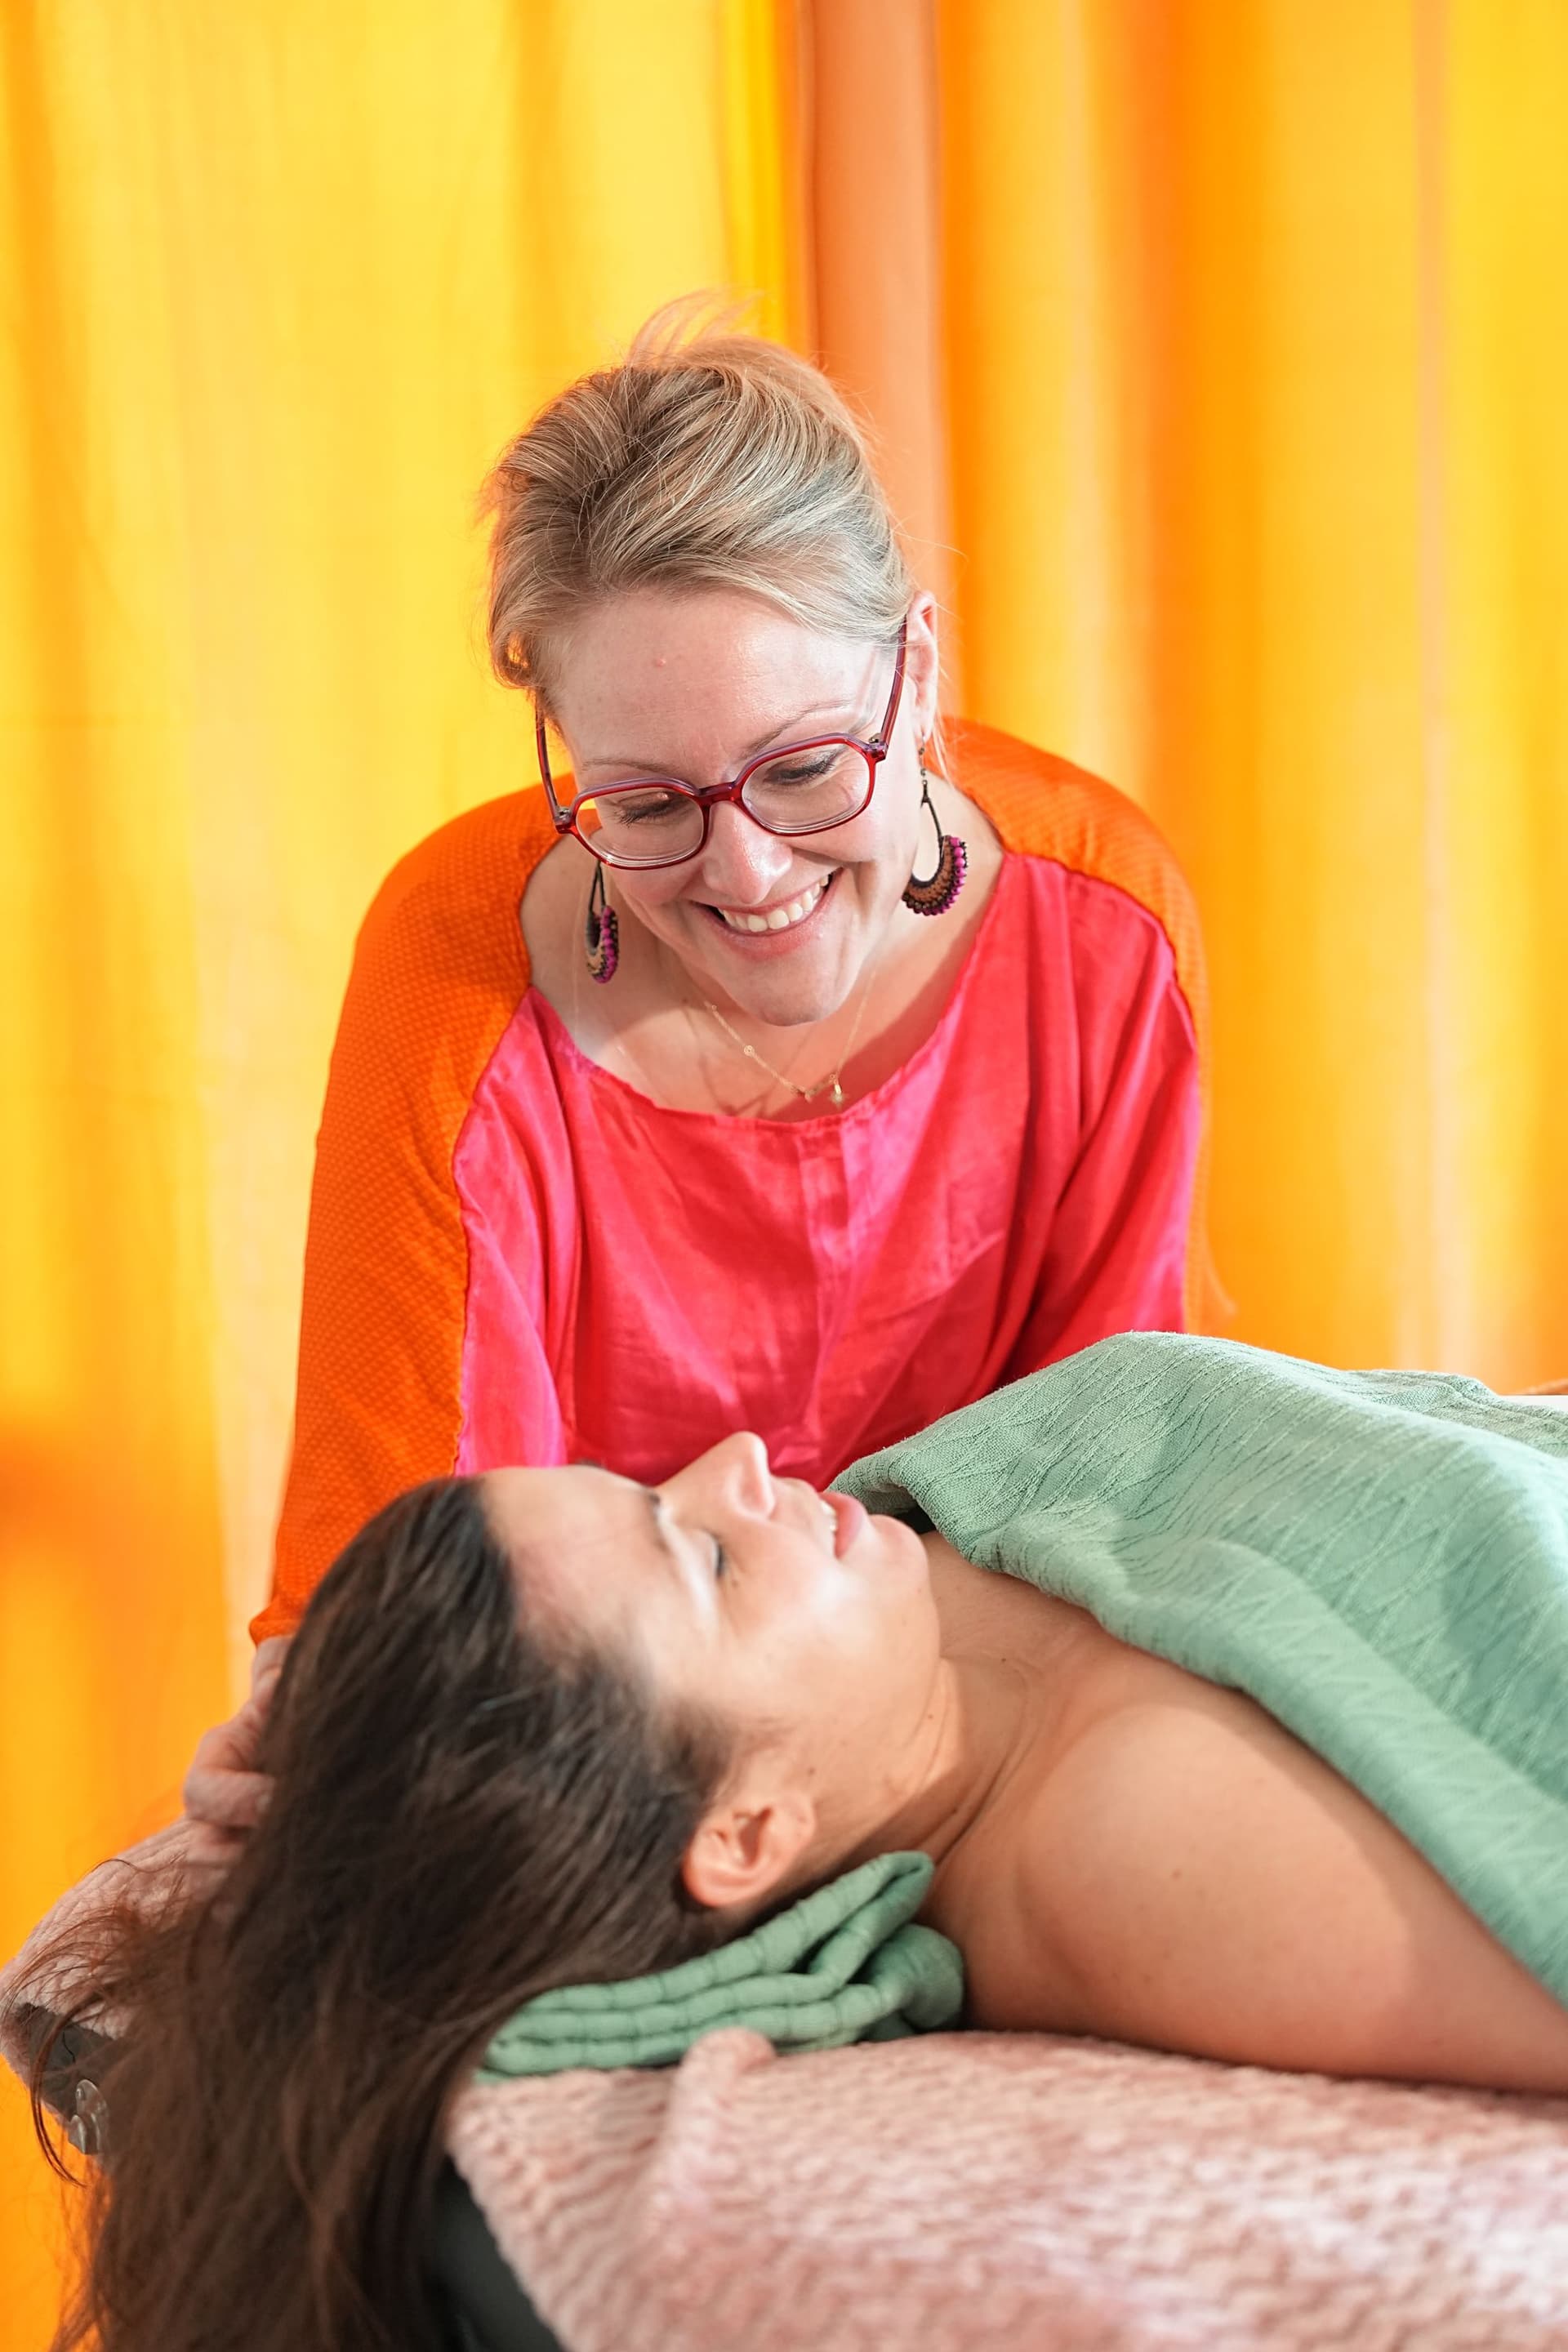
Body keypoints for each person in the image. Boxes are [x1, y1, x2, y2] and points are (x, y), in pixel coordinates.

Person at [43, 1342, 1568, 2352]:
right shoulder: (1134, 1855)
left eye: (654, 1492)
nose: (739, 1461)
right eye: (702, 1557)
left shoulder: (900, 1594)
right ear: (749, 1831)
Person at [248, 304, 1207, 1674]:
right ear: (563, 748)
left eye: (808, 766)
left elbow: (1113, 1494)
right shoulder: (448, 966)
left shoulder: (1106, 921)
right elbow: (410, 1581)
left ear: (917, 675)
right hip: (594, 1742)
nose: (747, 872)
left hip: (993, 1693)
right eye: (639, 802)